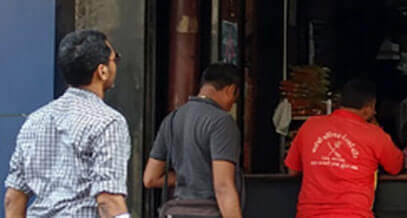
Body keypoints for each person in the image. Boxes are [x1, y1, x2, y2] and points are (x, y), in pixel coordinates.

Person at [4, 29, 130, 218]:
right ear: (102, 71)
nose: (116, 64)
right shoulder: (109, 122)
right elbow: (108, 200)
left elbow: (13, 197)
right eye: (115, 59)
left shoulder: (35, 120)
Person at [284, 79, 403, 217]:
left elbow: (292, 170)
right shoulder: (376, 135)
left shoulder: (310, 126)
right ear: (369, 107)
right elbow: (396, 166)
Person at [143, 63, 243, 218]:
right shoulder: (222, 121)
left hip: (178, 212)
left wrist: (189, 176)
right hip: (208, 211)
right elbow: (223, 186)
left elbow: (150, 178)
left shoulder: (172, 119)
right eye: (234, 100)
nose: (231, 106)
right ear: (230, 90)